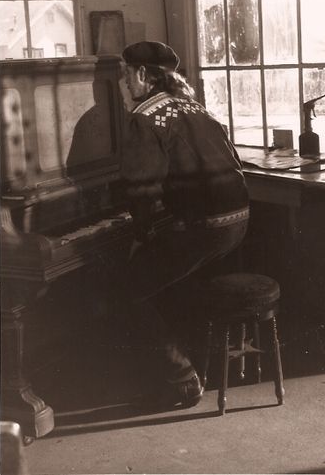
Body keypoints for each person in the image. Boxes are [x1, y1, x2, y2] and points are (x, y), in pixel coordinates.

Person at [119, 40, 249, 409]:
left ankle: (182, 378)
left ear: (142, 75)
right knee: (171, 278)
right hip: (237, 223)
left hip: (202, 229)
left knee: (127, 288)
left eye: (126, 75)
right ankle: (197, 363)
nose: (124, 84)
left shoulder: (144, 116)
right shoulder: (198, 108)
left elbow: (141, 191)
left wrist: (140, 234)